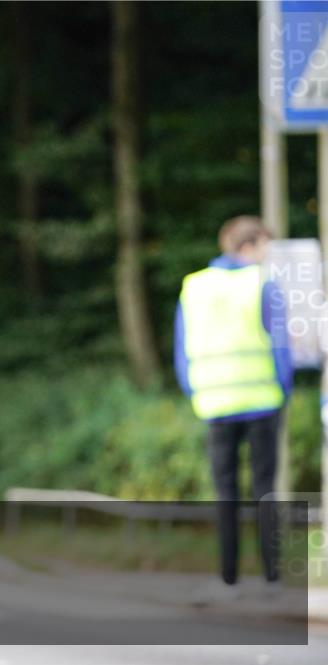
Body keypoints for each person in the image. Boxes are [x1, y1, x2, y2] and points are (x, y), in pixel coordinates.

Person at [174, 215, 291, 603]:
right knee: (264, 492)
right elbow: (280, 346)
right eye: (264, 247)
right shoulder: (261, 282)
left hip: (215, 405)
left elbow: (181, 349)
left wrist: (196, 393)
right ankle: (272, 579)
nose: (267, 255)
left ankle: (228, 581)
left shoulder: (194, 286)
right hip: (262, 403)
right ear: (249, 245)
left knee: (225, 495)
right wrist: (284, 390)